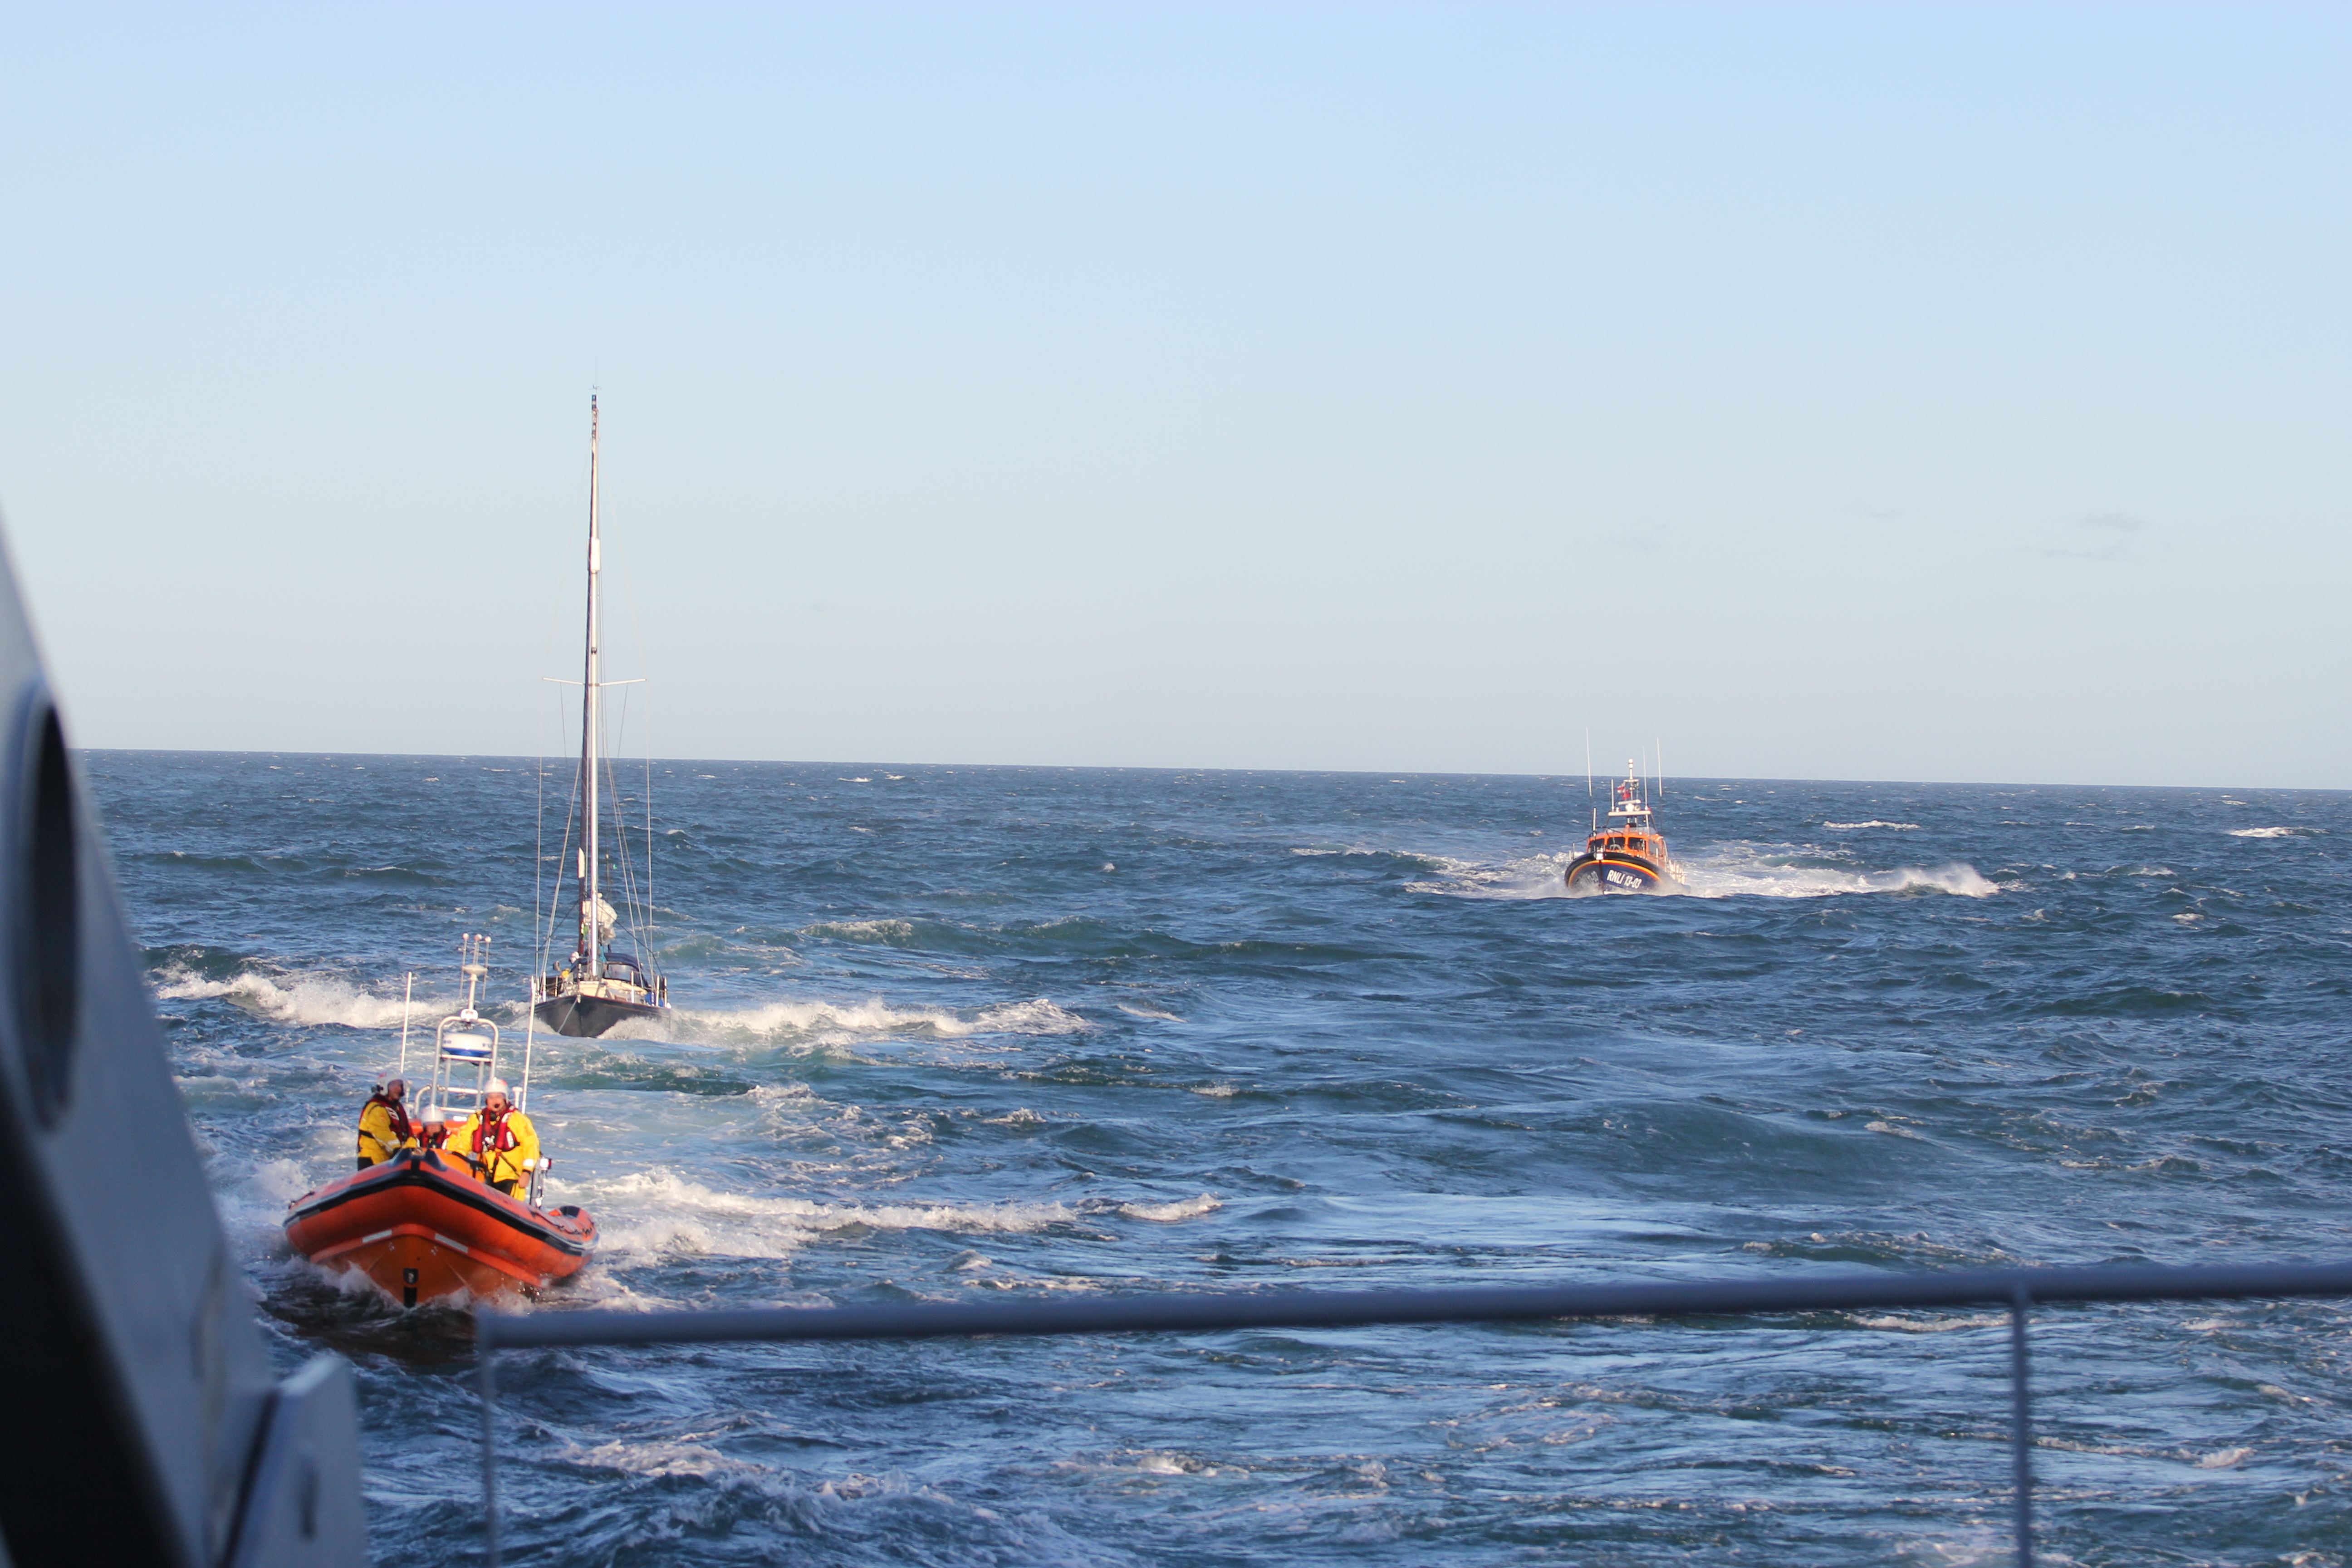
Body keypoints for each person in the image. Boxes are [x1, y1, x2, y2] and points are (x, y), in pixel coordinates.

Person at [444, 1079, 541, 1197]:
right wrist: (456, 1160)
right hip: (484, 1173)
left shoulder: (518, 1120)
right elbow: (464, 1141)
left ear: (505, 1099)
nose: (495, 1101)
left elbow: (531, 1145)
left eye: (498, 1097)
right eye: (491, 1097)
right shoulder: (477, 1119)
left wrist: (527, 1172)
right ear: (486, 1100)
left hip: (510, 1176)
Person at [355, 1078, 416, 1170]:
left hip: (389, 1162)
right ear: (384, 1087)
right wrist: (398, 1150)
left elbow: (408, 1134)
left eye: (400, 1085)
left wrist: (411, 1149)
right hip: (372, 1162)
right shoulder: (377, 1109)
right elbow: (383, 1133)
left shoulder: (397, 1108)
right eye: (394, 1085)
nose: (398, 1089)